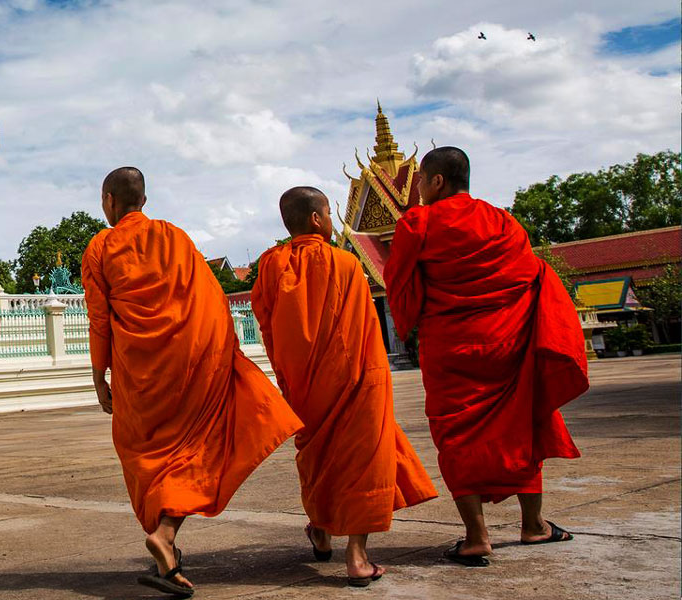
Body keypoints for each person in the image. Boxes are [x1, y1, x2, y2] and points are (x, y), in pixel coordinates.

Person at [82, 167, 303, 597]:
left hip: (139, 374)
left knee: (148, 454)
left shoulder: (100, 248)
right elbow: (210, 297)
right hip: (192, 362)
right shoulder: (175, 237)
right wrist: (225, 352)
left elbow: (99, 320)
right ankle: (165, 540)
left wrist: (98, 375)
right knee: (196, 447)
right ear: (143, 201)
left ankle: (164, 538)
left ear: (109, 200)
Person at [384, 147, 587, 567]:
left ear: (437, 181)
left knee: (456, 436)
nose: (417, 188)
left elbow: (400, 288)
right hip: (507, 343)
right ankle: (533, 525)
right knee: (523, 424)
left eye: (420, 179)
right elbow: (532, 275)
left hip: (450, 349)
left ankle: (476, 537)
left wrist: (413, 322)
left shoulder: (417, 223)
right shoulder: (502, 221)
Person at [251, 186, 438, 586]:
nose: (334, 221)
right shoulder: (346, 265)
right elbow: (364, 331)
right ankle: (357, 556)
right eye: (330, 213)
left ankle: (319, 527)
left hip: (303, 386)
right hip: (355, 380)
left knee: (318, 461)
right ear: (318, 219)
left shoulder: (270, 266)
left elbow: (267, 326)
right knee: (361, 462)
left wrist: (287, 373)